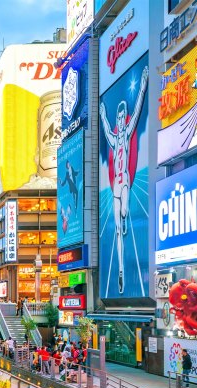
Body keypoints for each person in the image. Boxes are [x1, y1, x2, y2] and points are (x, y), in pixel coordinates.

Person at [99, 65, 149, 294]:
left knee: (125, 213)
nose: (119, 120)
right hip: (116, 186)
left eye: (121, 116)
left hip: (125, 180)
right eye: (117, 117)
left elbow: (137, 111)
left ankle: (125, 218)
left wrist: (143, 86)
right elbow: (106, 128)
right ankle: (120, 269)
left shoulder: (127, 134)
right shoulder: (113, 136)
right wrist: (101, 115)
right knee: (118, 228)